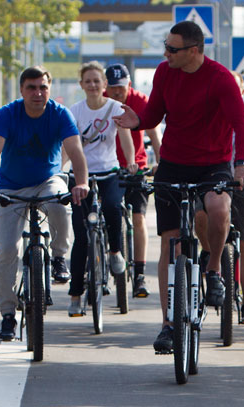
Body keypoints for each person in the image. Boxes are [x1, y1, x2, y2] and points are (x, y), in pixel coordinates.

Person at [114, 20, 244, 354]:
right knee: (171, 243)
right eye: (165, 46)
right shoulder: (164, 73)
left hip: (214, 162)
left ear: (193, 51)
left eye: (172, 49)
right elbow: (153, 114)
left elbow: (242, 125)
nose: (166, 54)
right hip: (174, 162)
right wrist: (138, 120)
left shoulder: (220, 79)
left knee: (219, 207)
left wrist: (241, 162)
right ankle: (167, 324)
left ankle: (215, 269)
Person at [0, 66, 89, 341]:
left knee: (59, 202)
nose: (38, 93)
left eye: (43, 87)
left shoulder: (59, 114)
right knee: (6, 251)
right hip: (11, 187)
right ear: (22, 90)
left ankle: (58, 257)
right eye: (31, 88)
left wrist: (82, 183)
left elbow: (75, 151)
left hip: (46, 181)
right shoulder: (7, 114)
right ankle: (7, 314)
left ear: (49, 90)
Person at [194, 72, 244, 325]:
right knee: (199, 217)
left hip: (242, 182)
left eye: (236, 89)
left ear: (242, 91)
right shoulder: (208, 112)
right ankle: (210, 254)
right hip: (210, 178)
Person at [65, 61, 135, 317]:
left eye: (97, 81)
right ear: (81, 85)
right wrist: (60, 171)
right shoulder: (74, 111)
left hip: (108, 172)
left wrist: (130, 163)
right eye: (88, 81)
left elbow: (125, 138)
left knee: (112, 207)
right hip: (81, 176)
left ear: (104, 85)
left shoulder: (115, 107)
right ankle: (75, 295)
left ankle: (115, 251)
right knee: (81, 236)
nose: (93, 85)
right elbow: (68, 146)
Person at [103, 63, 162, 298]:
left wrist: (161, 160)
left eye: (121, 87)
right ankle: (102, 267)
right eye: (113, 88)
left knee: (138, 219)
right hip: (108, 168)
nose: (117, 93)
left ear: (129, 84)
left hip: (136, 166)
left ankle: (139, 274)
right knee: (104, 215)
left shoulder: (139, 100)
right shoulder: (103, 102)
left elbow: (153, 132)